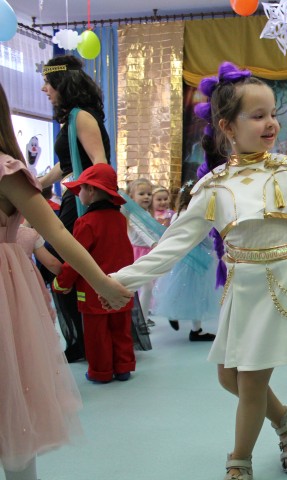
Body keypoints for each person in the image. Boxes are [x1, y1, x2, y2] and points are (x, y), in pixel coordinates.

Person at [110, 62, 287, 480]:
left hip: (279, 286)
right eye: (258, 115)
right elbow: (172, 245)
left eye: (273, 113)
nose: (271, 123)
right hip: (239, 291)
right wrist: (121, 280)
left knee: (251, 384)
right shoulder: (212, 186)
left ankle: (238, 463)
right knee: (230, 379)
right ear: (227, 126)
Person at [0, 80, 131, 480]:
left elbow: (57, 233)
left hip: (5, 294)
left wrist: (102, 283)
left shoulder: (6, 171)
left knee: (10, 403)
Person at [38, 55, 112, 363]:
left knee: (56, 264)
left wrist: (88, 202)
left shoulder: (81, 117)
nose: (44, 89)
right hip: (76, 194)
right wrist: (38, 182)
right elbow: (68, 164)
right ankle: (80, 339)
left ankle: (80, 339)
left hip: (82, 199)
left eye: (47, 83)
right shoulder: (73, 119)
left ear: (61, 83)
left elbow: (99, 164)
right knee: (63, 266)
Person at [52, 164, 136, 384]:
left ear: (90, 190)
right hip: (120, 285)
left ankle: (101, 372)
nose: (78, 193)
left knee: (96, 333)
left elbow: (76, 259)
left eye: (80, 188)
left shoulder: (85, 222)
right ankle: (124, 367)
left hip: (92, 291)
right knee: (121, 329)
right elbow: (126, 254)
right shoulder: (120, 220)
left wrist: (61, 283)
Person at [152, 179, 218, 341]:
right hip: (198, 260)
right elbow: (204, 239)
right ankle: (196, 330)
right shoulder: (197, 216)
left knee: (177, 289)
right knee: (198, 294)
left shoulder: (176, 215)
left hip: (180, 258)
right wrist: (213, 246)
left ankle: (173, 314)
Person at [125, 177, 157, 326]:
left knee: (148, 287)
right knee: (146, 287)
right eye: (142, 194)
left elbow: (153, 232)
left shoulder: (147, 214)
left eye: (149, 194)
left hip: (149, 253)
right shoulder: (133, 215)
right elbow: (142, 232)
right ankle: (140, 320)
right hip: (137, 254)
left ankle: (142, 317)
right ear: (131, 197)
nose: (146, 197)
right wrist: (155, 243)